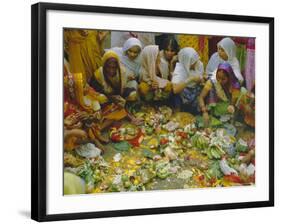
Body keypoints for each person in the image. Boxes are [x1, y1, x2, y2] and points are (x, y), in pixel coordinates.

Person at [90, 50, 142, 124]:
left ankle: (126, 111)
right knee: (102, 99)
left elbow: (122, 88)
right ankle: (113, 113)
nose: (111, 70)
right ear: (104, 65)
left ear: (117, 66)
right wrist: (111, 98)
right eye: (108, 67)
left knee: (133, 94)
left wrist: (119, 98)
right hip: (106, 97)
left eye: (114, 67)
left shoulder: (122, 71)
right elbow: (95, 90)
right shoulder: (99, 74)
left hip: (119, 94)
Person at [199, 62, 254, 127]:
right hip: (219, 104)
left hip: (229, 102)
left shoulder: (233, 83)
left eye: (223, 79)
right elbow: (201, 97)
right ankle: (225, 117)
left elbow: (235, 97)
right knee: (223, 107)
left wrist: (232, 105)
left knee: (243, 91)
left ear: (229, 77)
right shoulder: (212, 81)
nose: (219, 81)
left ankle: (237, 117)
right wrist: (204, 112)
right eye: (218, 77)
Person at [171, 47, 204, 113]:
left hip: (195, 93)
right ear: (186, 61)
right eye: (192, 62)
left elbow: (201, 77)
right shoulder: (180, 68)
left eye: (195, 61)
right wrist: (190, 79)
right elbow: (175, 90)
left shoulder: (198, 64)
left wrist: (200, 80)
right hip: (183, 95)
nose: (194, 64)